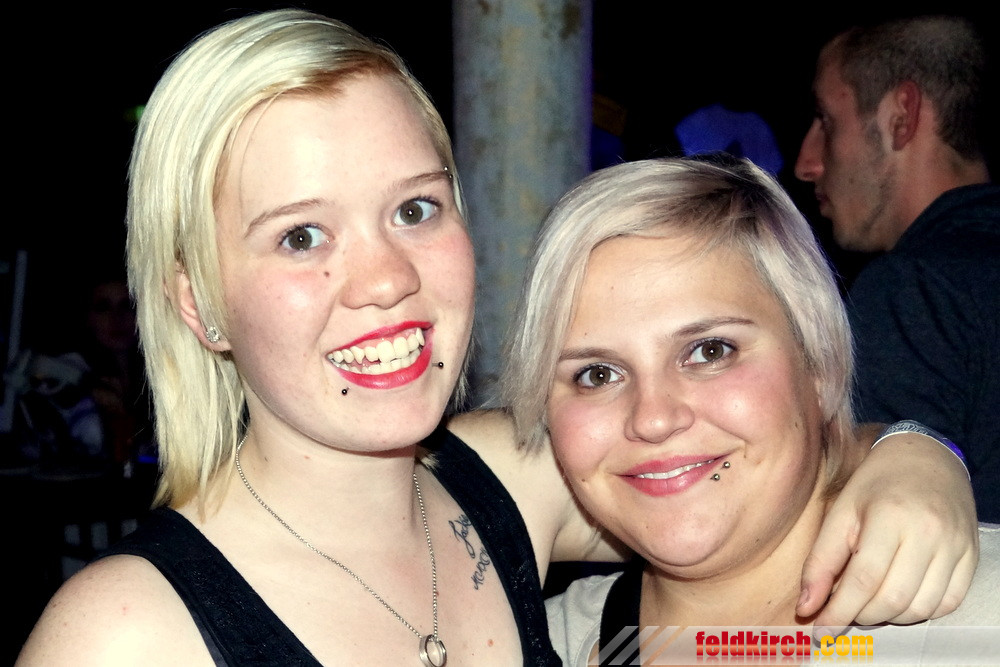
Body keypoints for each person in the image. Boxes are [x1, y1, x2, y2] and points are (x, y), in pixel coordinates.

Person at [16, 11, 979, 666]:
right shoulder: (125, 633)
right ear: (200, 304)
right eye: (301, 236)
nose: (386, 278)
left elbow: (754, 446)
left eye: (415, 209)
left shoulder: (504, 480)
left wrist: (916, 453)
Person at [501, 157, 997, 665]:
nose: (652, 419)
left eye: (710, 351)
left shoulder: (980, 627)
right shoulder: (515, 644)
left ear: (820, 365)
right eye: (598, 375)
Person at [794, 15, 1000, 521]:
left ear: (901, 116)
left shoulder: (914, 291)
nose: (806, 163)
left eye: (825, 120)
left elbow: (884, 533)